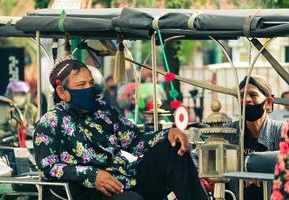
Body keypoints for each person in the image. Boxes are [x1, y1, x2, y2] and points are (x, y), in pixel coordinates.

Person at [33, 56, 208, 200]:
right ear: (62, 92)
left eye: (91, 83)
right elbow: (48, 167)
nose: (89, 89)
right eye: (81, 85)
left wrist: (168, 133)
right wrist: (92, 175)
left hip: (125, 180)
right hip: (87, 192)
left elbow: (136, 142)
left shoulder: (104, 110)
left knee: (173, 149)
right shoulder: (50, 122)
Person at [225, 75, 284, 200]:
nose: (246, 99)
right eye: (241, 95)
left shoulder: (282, 132)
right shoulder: (227, 132)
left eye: (253, 95)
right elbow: (198, 159)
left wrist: (258, 169)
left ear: (268, 103)